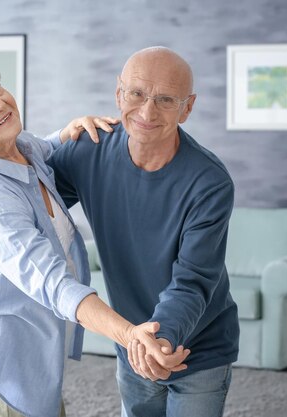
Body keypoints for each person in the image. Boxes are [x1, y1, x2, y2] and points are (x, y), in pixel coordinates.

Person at [0, 48, 190, 417]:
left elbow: (44, 149)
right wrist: (130, 337)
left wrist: (68, 131)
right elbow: (54, 284)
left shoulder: (20, 148)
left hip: (31, 360)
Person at [48, 46, 240, 417]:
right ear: (119, 93)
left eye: (166, 99)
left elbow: (193, 280)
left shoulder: (210, 182)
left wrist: (159, 341)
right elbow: (26, 192)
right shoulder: (88, 151)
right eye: (137, 94)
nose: (147, 112)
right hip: (134, 344)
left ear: (187, 107)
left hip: (195, 349)